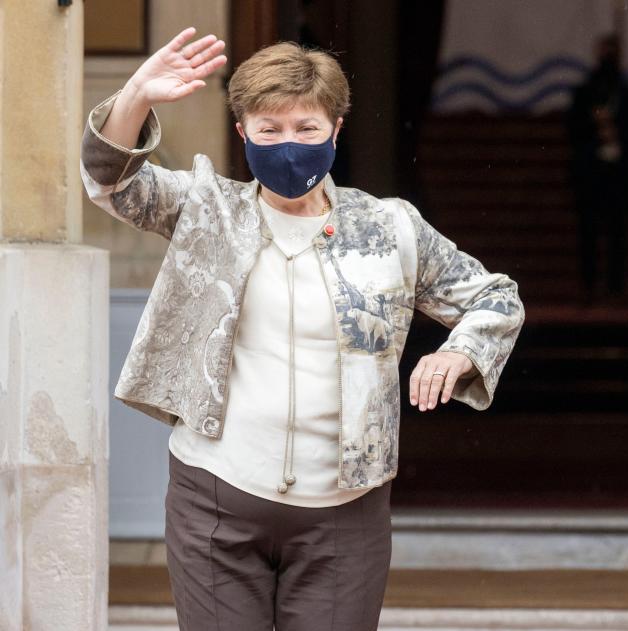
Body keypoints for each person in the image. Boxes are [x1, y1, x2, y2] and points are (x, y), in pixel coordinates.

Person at [81, 28, 524, 630]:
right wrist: (136, 94)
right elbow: (111, 180)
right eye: (269, 130)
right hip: (216, 494)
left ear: (336, 130)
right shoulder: (208, 209)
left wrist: (458, 352)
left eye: (307, 128)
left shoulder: (389, 227)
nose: (289, 144)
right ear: (243, 134)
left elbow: (495, 297)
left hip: (345, 511)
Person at [567, 34, 628, 302]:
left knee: (618, 233)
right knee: (588, 233)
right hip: (590, 172)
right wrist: (596, 129)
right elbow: (571, 131)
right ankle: (588, 287)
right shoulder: (584, 93)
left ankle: (616, 288)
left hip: (619, 174)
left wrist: (617, 133)